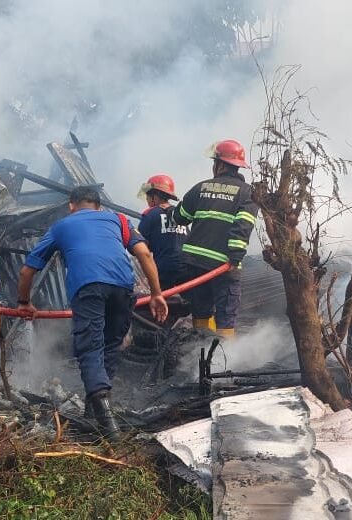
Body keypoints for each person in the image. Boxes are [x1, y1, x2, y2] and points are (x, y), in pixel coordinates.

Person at [17, 186, 168, 442]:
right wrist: (156, 294)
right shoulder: (119, 220)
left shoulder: (61, 226)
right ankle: (94, 414)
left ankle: (110, 432)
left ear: (71, 205)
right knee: (109, 347)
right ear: (99, 206)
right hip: (123, 287)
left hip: (88, 287)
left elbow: (26, 271)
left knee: (90, 349)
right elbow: (143, 253)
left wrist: (23, 302)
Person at [172, 139, 258, 338]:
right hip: (224, 264)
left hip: (194, 263)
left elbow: (180, 218)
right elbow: (243, 225)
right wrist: (235, 257)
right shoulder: (247, 193)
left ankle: (198, 353)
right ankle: (223, 359)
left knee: (201, 310)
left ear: (219, 165)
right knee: (226, 313)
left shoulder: (200, 187)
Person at [137, 173, 188, 290]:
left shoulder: (150, 215)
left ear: (154, 197)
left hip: (163, 270)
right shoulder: (180, 214)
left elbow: (140, 245)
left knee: (163, 302)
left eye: (148, 196)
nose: (146, 199)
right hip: (186, 269)